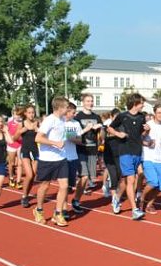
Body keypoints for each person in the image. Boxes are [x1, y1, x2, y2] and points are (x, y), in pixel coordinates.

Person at [108, 93, 148, 220]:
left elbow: (141, 134)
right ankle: (134, 209)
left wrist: (147, 130)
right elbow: (109, 128)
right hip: (125, 150)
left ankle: (117, 198)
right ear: (135, 103)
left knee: (127, 182)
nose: (143, 105)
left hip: (137, 150)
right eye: (142, 103)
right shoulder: (122, 116)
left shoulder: (142, 117)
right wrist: (118, 134)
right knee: (131, 180)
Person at [33, 97, 70, 227]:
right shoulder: (49, 120)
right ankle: (39, 210)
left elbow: (63, 137)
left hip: (61, 158)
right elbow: (38, 138)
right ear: (59, 108)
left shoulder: (63, 119)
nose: (68, 109)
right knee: (45, 186)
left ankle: (58, 213)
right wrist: (55, 143)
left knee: (64, 186)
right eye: (66, 107)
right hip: (47, 159)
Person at [73, 94, 102, 211]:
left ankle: (76, 200)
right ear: (83, 103)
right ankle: (74, 201)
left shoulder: (97, 117)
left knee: (90, 178)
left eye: (92, 101)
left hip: (92, 150)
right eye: (88, 101)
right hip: (80, 150)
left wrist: (101, 128)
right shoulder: (77, 117)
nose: (90, 103)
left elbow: (101, 136)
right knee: (84, 177)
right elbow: (72, 137)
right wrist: (87, 128)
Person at [140, 104, 161, 215]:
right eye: (159, 112)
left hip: (160, 158)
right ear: (154, 113)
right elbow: (139, 139)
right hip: (148, 157)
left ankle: (149, 205)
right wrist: (147, 142)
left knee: (159, 187)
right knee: (153, 182)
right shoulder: (148, 125)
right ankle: (141, 198)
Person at [17, 105, 40, 208]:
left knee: (33, 177)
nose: (32, 114)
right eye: (29, 112)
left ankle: (26, 194)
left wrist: (37, 130)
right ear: (25, 113)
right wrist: (20, 132)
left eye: (33, 112)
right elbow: (14, 138)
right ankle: (24, 196)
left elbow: (43, 136)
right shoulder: (21, 124)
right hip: (25, 150)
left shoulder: (37, 123)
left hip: (35, 151)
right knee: (29, 175)